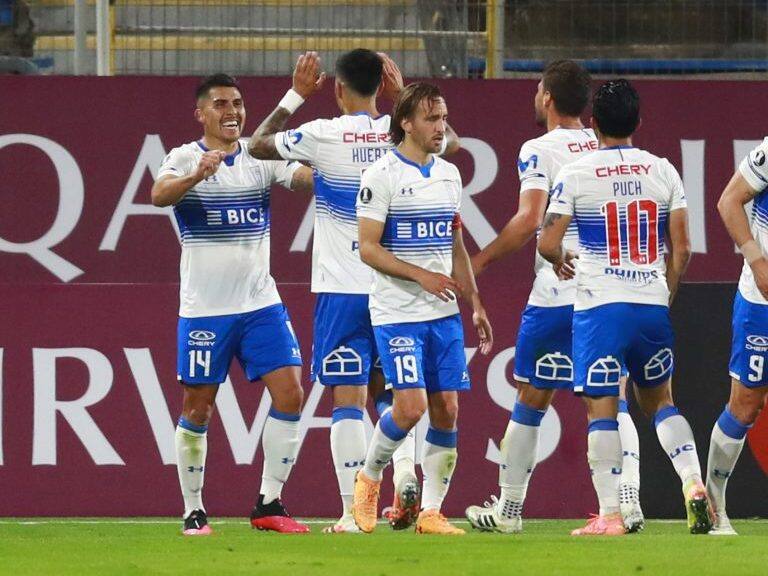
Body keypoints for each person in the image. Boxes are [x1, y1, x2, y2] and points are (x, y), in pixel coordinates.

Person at [248, 49, 459, 533]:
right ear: (384, 90)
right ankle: (405, 471)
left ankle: (351, 511)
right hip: (397, 292)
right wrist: (403, 95)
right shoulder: (400, 139)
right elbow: (450, 143)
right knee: (397, 394)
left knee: (348, 397)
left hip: (342, 289)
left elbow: (257, 143)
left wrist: (297, 94)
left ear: (338, 89)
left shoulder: (323, 134)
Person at [465, 60, 645, 534]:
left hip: (554, 292)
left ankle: (509, 511)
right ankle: (627, 501)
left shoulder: (538, 149)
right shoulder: (606, 146)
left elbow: (530, 220)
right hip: (607, 291)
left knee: (532, 394)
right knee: (611, 396)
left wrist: (477, 263)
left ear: (546, 96)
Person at [538, 79, 712, 536]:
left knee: (603, 409)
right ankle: (694, 485)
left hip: (600, 310)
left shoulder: (576, 173)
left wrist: (559, 260)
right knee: (661, 404)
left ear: (594, 124)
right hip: (650, 305)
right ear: (638, 122)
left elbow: (547, 243)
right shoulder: (663, 170)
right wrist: (665, 291)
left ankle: (611, 515)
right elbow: (685, 247)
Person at [151, 73, 314, 536]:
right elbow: (158, 195)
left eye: (238, 103)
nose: (232, 112)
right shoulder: (184, 156)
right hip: (205, 309)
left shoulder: (260, 157)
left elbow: (301, 178)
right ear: (200, 113)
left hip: (260, 303)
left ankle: (269, 503)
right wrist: (194, 175)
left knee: (291, 394)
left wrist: (323, 169)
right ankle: (193, 510)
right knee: (198, 408)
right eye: (221, 104)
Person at [352, 82, 492, 535]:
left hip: (444, 314)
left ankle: (431, 512)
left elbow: (455, 244)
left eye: (443, 117)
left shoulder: (449, 175)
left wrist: (475, 304)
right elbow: (368, 250)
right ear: (406, 123)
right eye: (432, 118)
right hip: (397, 311)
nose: (441, 126)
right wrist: (421, 276)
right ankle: (370, 478)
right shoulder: (381, 175)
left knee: (447, 410)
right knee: (409, 409)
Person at [705, 137, 768, 536]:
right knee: (745, 406)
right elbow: (729, 200)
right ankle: (714, 505)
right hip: (761, 299)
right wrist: (757, 260)